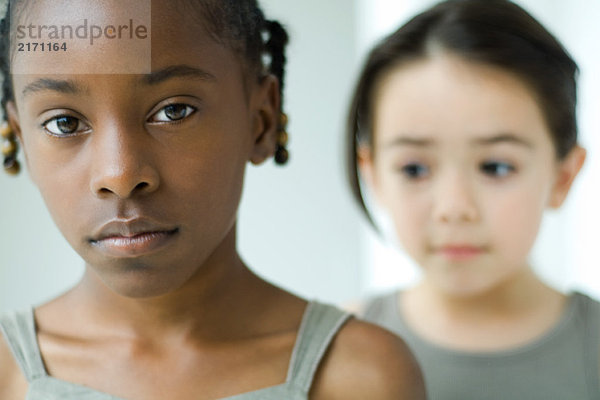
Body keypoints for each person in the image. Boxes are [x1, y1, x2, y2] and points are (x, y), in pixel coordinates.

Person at [0, 0, 425, 399]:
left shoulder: (358, 375)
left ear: (261, 121)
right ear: (20, 138)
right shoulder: (6, 373)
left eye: (173, 111)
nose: (120, 174)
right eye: (63, 122)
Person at [346, 0, 599, 399]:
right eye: (414, 169)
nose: (454, 209)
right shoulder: (330, 353)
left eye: (496, 167)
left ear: (562, 177)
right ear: (373, 175)